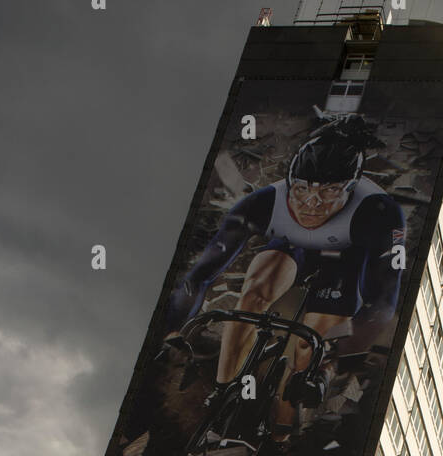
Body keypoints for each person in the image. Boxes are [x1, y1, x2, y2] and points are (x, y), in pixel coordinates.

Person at [163, 113, 406, 433]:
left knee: (309, 346)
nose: (311, 204)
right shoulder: (263, 203)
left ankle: (280, 434)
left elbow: (382, 303)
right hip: (294, 248)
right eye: (302, 190)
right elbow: (199, 276)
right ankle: (223, 394)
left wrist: (330, 364)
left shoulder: (379, 212)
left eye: (329, 192)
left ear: (351, 187)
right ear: (290, 181)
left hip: (346, 259)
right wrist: (174, 331)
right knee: (254, 293)